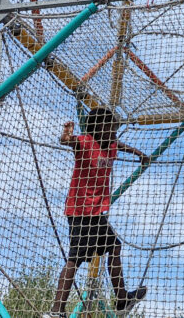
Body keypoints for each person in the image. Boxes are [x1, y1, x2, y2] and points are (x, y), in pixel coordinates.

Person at [50, 107, 150, 316]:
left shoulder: (111, 145)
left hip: (96, 214)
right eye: (110, 127)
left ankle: (122, 300)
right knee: (75, 259)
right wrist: (66, 134)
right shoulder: (86, 142)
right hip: (80, 212)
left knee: (114, 247)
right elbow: (68, 141)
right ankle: (56, 310)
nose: (114, 130)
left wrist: (138, 153)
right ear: (98, 128)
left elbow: (120, 145)